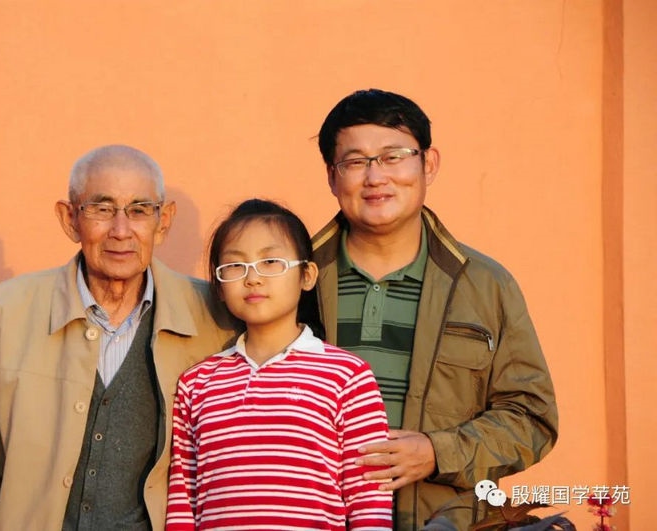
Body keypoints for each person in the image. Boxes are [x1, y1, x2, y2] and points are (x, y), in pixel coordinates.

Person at [0, 145, 235, 530]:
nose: (121, 230)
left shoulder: (215, 318)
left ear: (163, 221)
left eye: (139, 210)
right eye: (101, 208)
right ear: (70, 219)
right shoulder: (5, 313)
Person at [311, 89, 559, 530]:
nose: (376, 177)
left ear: (428, 164)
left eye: (393, 157)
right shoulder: (293, 282)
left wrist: (437, 452)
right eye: (356, 161)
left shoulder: (485, 285)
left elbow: (532, 418)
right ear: (332, 176)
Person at [165, 199, 394, 530]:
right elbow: (182, 499)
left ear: (307, 275)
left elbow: (369, 496)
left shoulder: (347, 376)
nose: (253, 278)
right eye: (235, 266)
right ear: (219, 286)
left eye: (270, 262)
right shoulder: (197, 383)